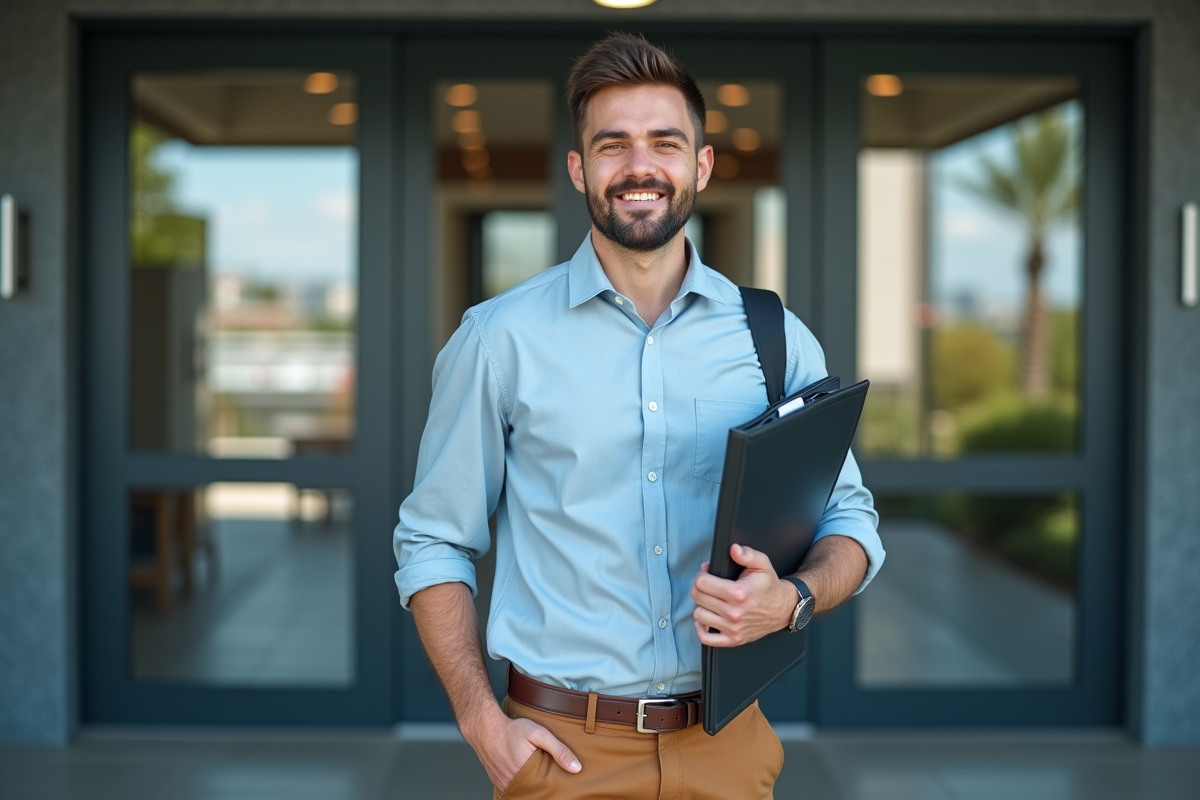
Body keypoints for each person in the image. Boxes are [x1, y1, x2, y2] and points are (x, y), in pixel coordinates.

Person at [394, 32, 884, 800]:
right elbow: (433, 540)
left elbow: (850, 520)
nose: (639, 166)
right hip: (563, 754)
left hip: (729, 745)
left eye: (664, 141)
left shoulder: (774, 336)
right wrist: (482, 724)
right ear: (579, 169)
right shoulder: (498, 339)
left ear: (702, 164)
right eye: (612, 144)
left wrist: (791, 600)